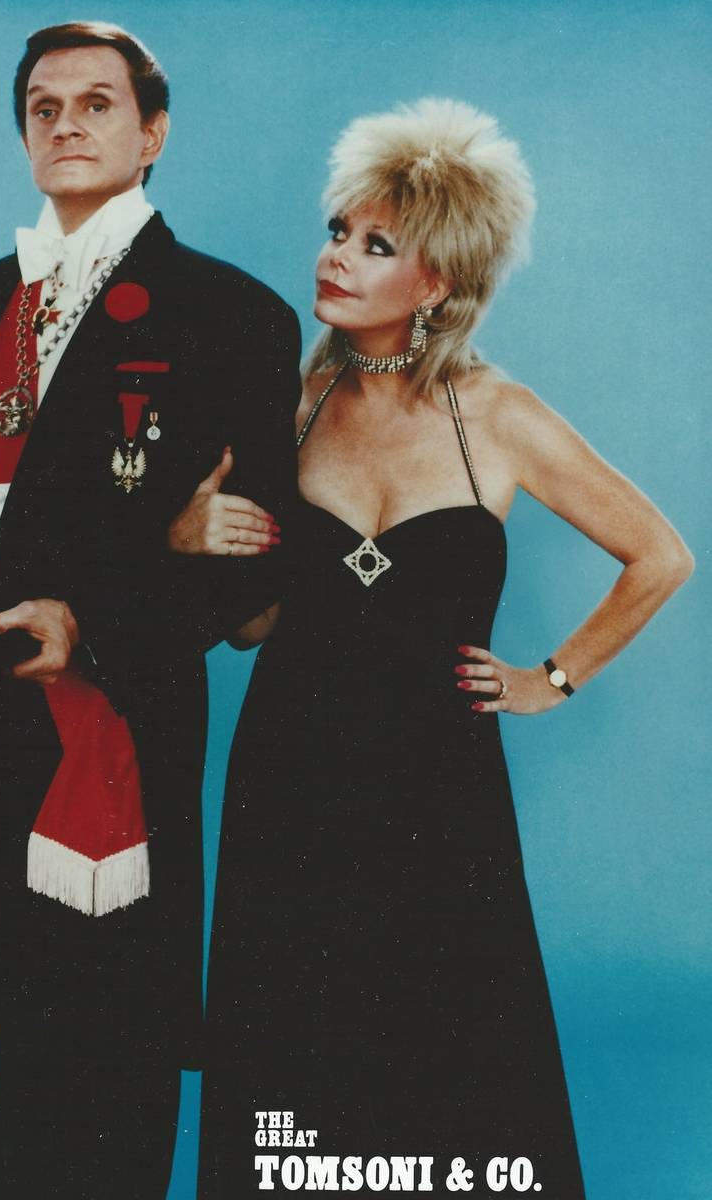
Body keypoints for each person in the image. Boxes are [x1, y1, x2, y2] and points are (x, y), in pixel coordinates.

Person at [168, 100, 694, 1197]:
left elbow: (659, 555)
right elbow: (252, 626)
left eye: (375, 244)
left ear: (437, 282)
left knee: (450, 1042)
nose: (335, 257)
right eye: (335, 230)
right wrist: (195, 538)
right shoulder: (288, 407)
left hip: (437, 785)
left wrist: (549, 679)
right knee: (292, 1048)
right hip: (290, 774)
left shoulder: (496, 414)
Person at [0, 21, 300, 1200]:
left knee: (119, 1024)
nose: (66, 124)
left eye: (97, 103)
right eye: (43, 108)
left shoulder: (229, 310)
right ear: (22, 136)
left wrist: (94, 618)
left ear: (152, 135)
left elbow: (250, 559)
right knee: (20, 1014)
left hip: (114, 700)